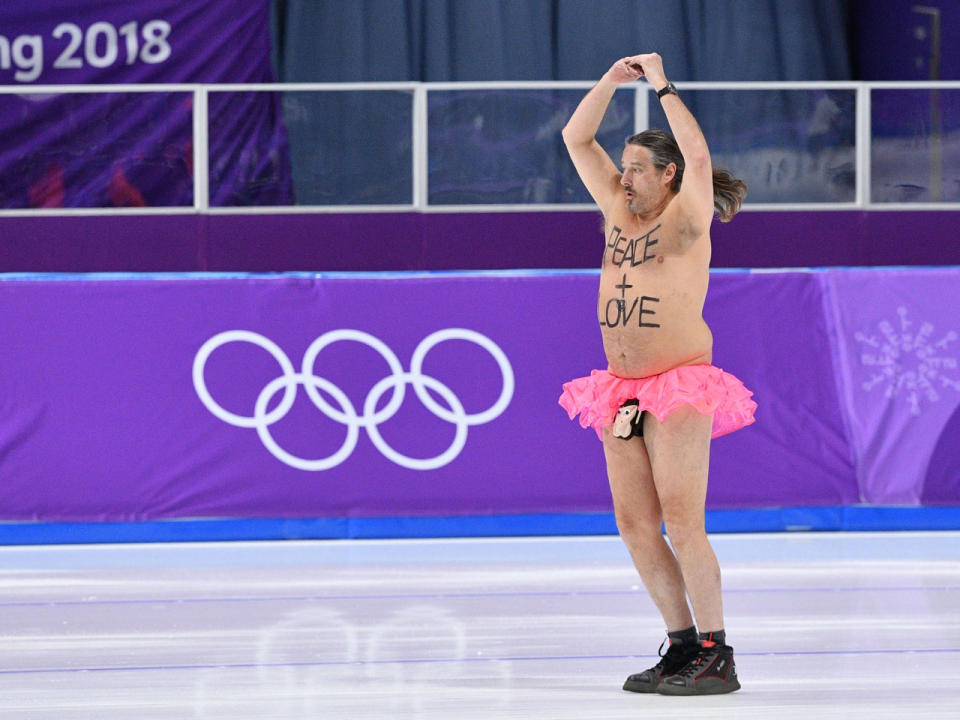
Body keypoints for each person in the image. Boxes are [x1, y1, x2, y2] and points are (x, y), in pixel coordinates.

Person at [558, 53, 757, 696]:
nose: (626, 176)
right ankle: (679, 645)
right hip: (620, 390)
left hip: (678, 384)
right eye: (626, 166)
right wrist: (611, 83)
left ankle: (716, 652)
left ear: (667, 175)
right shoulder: (617, 206)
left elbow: (699, 158)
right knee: (635, 524)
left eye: (639, 167)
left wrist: (663, 85)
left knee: (682, 520)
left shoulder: (687, 218)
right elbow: (575, 138)